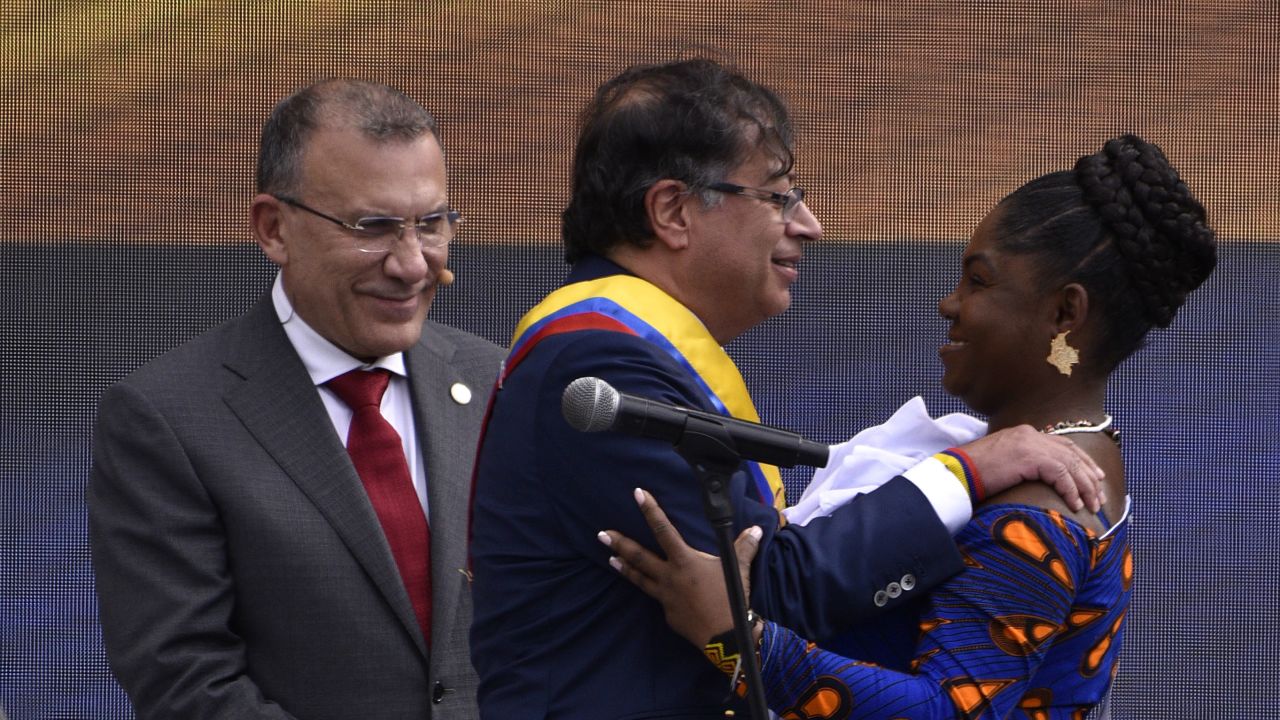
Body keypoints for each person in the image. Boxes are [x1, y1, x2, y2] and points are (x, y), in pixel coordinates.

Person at [468, 58, 1104, 718]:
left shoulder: (626, 348)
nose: (809, 225)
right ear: (673, 211)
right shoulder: (599, 366)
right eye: (778, 196)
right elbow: (766, 592)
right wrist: (963, 471)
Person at [604, 134, 1217, 718]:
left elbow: (949, 710)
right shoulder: (1066, 456)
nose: (949, 303)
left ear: (1065, 312)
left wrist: (735, 638)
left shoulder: (1038, 510)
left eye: (978, 280)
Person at [88, 79, 503, 719]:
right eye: (375, 226)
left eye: (432, 224)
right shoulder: (167, 419)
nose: (413, 265)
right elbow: (186, 685)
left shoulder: (495, 380)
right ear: (274, 228)